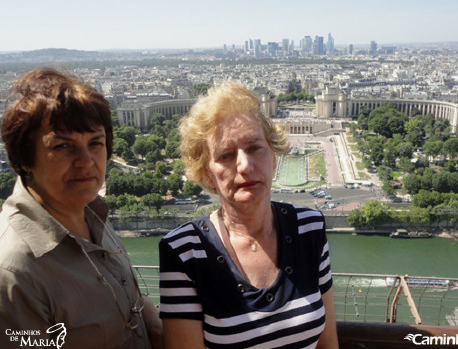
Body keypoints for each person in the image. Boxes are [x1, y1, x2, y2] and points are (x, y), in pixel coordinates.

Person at [159, 82, 339, 348]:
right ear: (208, 173)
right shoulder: (184, 252)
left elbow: (327, 344)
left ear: (274, 156)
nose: (245, 165)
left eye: (255, 148)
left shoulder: (309, 228)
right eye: (227, 155)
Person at [0, 68, 163, 348]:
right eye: (63, 146)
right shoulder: (14, 272)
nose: (86, 161)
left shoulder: (87, 210)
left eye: (95, 143)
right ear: (24, 158)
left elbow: (131, 302)